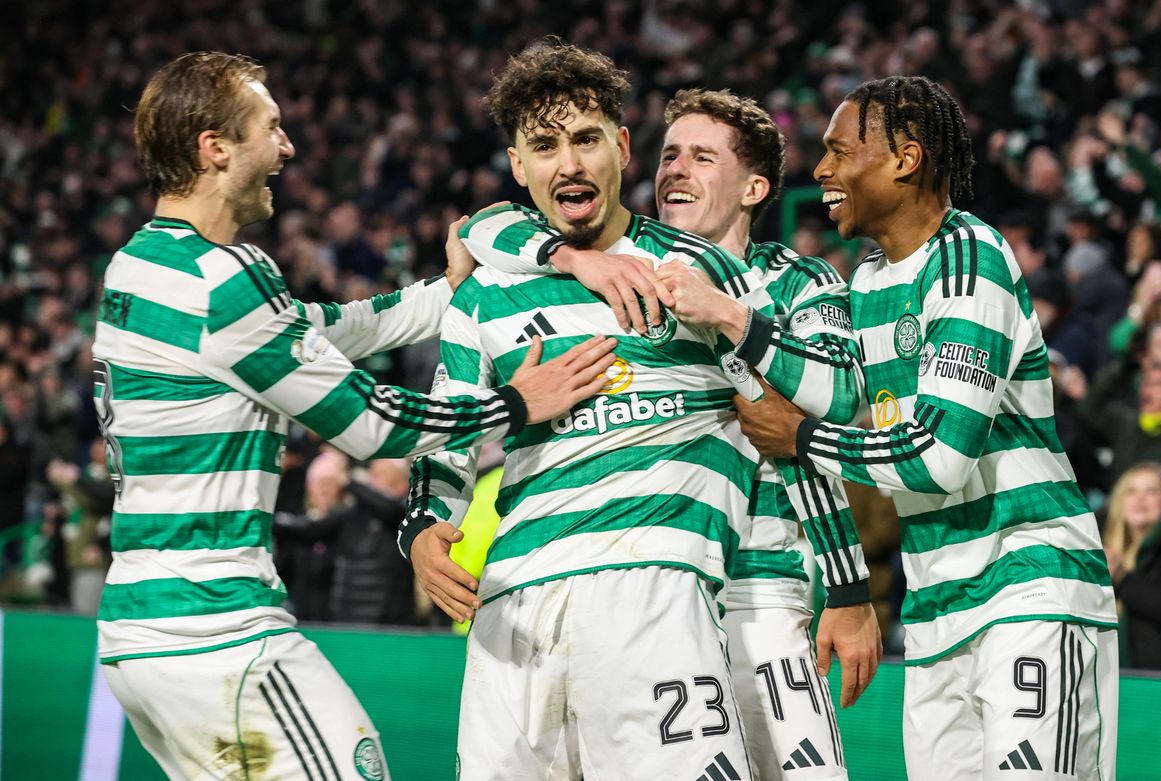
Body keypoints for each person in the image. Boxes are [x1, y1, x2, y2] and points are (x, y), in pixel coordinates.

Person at [93, 51, 615, 781]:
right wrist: (518, 403)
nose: (287, 148)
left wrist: (450, 291)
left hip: (138, 635)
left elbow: (330, 327)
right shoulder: (226, 278)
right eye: (270, 128)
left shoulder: (140, 268)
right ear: (215, 148)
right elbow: (373, 425)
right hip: (214, 630)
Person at [467, 86, 882, 778]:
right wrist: (570, 258)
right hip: (642, 582)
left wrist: (847, 587)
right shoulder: (614, 271)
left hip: (756, 588)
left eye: (702, 157)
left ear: (753, 188)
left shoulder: (793, 280)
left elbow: (818, 420)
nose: (676, 171)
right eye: (669, 156)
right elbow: (479, 227)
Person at [403, 41, 780, 780]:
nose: (569, 164)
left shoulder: (699, 268)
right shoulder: (481, 296)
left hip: (656, 588)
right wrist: (421, 529)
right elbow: (444, 439)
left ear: (623, 147)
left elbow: (795, 402)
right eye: (545, 147)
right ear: (518, 167)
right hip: (513, 606)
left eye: (586, 139)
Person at [723, 77, 1118, 779]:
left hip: (1029, 586)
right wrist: (739, 325)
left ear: (906, 158)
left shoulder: (970, 258)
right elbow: (833, 392)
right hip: (935, 605)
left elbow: (939, 457)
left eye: (840, 151)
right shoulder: (868, 280)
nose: (821, 170)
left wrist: (802, 437)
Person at [1101, 462, 1161, 671]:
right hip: (1113, 676)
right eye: (1131, 491)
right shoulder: (1102, 545)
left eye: (1152, 491)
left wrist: (1122, 578)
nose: (1140, 499)